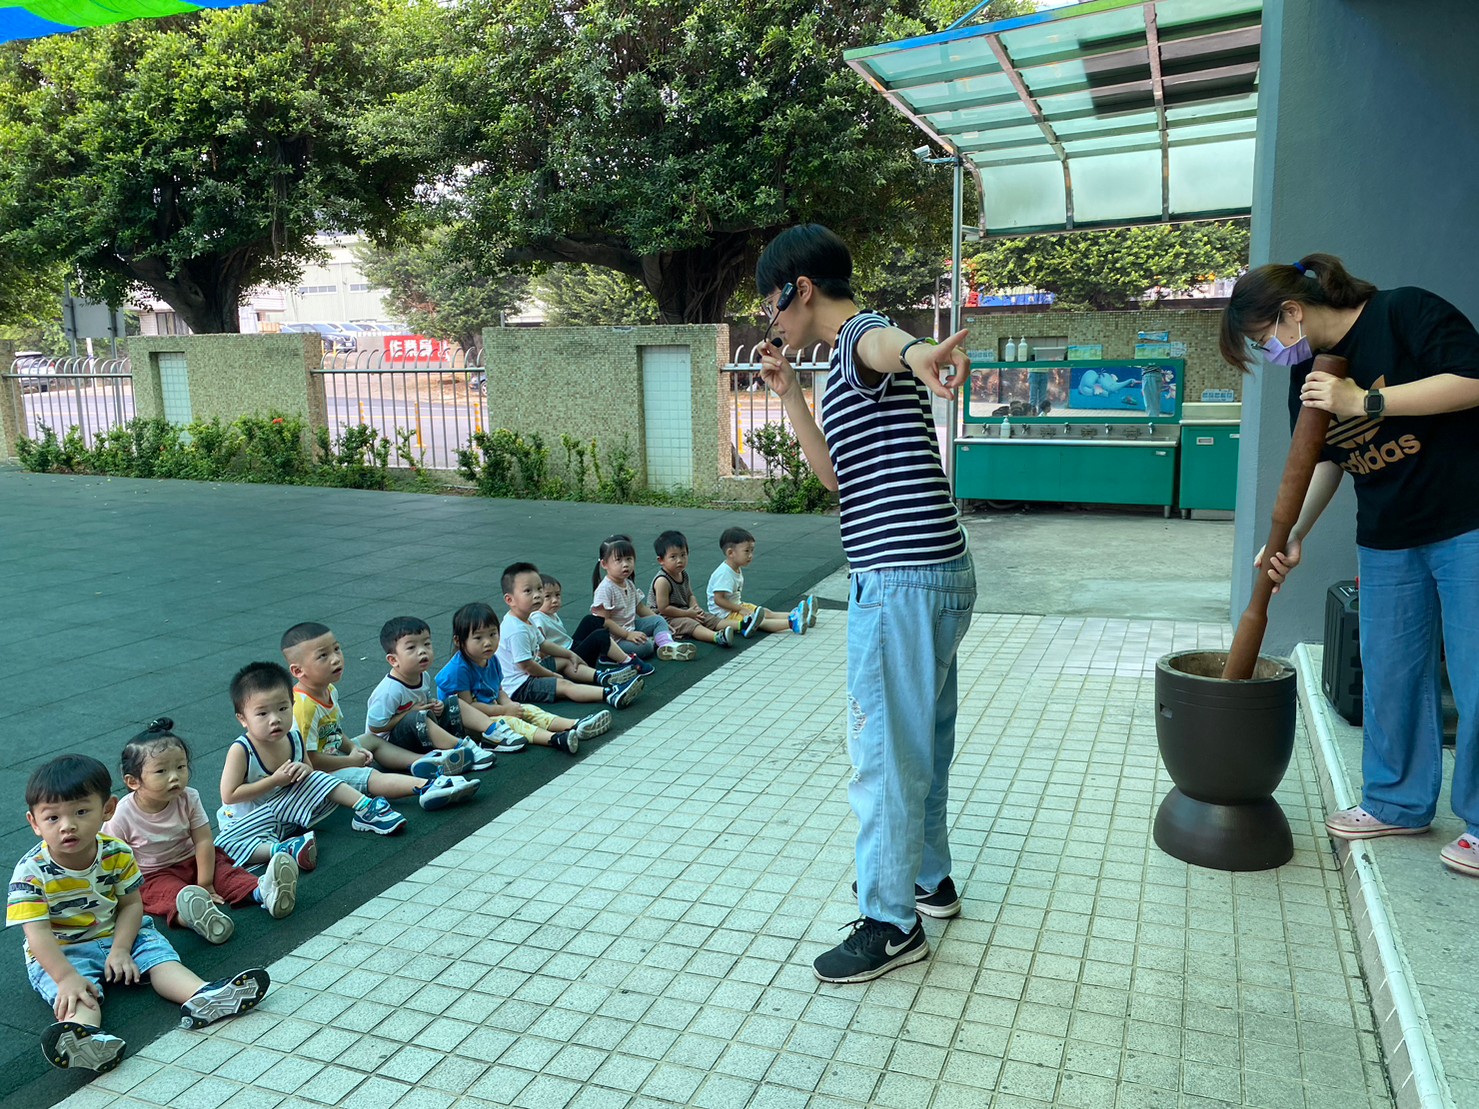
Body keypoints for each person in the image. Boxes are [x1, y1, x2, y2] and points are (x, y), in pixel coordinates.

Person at [756, 224, 976, 983]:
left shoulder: (858, 336)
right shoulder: (833, 365)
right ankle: (927, 880)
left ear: (800, 289)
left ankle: (890, 923)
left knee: (882, 753)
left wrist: (921, 354)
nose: (771, 322)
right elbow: (835, 478)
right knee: (923, 741)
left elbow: (891, 346)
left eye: (771, 304)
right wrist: (790, 395)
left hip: (900, 578)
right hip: (936, 568)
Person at [1220, 253, 1479, 878]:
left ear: (1291, 312)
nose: (1269, 352)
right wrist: (1295, 533)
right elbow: (1323, 459)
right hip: (1387, 537)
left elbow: (1472, 379)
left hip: (1466, 522)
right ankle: (1397, 802)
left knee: (1476, 675)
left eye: (1262, 339)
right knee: (1392, 673)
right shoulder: (1306, 370)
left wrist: (1365, 400)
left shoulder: (1403, 311)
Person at [9, 754, 270, 1072]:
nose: (68, 826)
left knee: (158, 957)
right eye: (52, 818)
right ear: (34, 823)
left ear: (108, 809)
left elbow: (132, 904)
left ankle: (202, 995)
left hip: (118, 929)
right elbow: (37, 933)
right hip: (62, 949)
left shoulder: (117, 852)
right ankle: (83, 1036)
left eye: (81, 811)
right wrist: (65, 977)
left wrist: (121, 948)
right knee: (78, 995)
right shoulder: (30, 872)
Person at [103, 719, 298, 945]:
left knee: (225, 873)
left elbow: (203, 840)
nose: (174, 776)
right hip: (154, 874)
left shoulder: (189, 797)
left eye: (180, 767)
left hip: (194, 860)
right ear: (133, 781)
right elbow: (112, 859)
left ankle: (264, 892)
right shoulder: (122, 815)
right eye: (161, 771)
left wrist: (205, 882)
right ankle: (196, 917)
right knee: (170, 895)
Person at [218, 661, 408, 869]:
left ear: (292, 705)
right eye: (262, 714)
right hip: (251, 820)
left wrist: (304, 770)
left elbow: (310, 769)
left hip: (286, 810)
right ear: (243, 719)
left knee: (317, 777)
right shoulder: (242, 750)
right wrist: (274, 780)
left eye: (283, 708)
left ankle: (365, 808)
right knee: (223, 846)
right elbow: (230, 795)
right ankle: (284, 849)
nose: (275, 719)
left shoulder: (294, 737)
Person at [281, 622, 479, 811]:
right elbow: (310, 760)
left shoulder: (329, 690)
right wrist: (350, 761)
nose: (335, 659)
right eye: (323, 656)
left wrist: (352, 749)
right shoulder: (304, 707)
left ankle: (425, 760)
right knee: (370, 776)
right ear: (298, 670)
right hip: (315, 777)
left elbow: (334, 732)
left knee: (370, 740)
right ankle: (427, 787)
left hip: (330, 758)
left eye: (336, 649)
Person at [436, 601, 615, 755]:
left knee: (527, 709)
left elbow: (499, 690)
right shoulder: (458, 669)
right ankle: (554, 739)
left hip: (490, 711)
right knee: (511, 721)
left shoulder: (491, 659)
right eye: (478, 638)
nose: (488, 642)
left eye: (492, 634)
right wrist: (504, 710)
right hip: (467, 725)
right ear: (459, 641)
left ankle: (576, 724)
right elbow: (469, 707)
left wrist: (509, 705)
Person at [500, 563, 646, 709]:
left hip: (530, 669)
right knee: (565, 685)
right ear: (509, 600)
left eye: (539, 589)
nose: (537, 595)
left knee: (566, 661)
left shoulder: (526, 619)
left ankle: (602, 676)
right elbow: (526, 666)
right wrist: (551, 674)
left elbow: (544, 644)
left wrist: (570, 654)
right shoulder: (517, 630)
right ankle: (610, 693)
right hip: (520, 684)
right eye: (528, 591)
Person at [366, 617, 496, 770]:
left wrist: (434, 705)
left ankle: (494, 732)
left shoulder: (423, 676)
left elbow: (424, 703)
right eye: (411, 647)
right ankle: (463, 749)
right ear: (393, 660)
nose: (422, 651)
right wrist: (409, 712)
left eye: (426, 644)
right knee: (416, 717)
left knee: (452, 702)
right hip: (392, 748)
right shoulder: (390, 691)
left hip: (419, 734)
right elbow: (375, 727)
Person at [592, 535, 697, 660]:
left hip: (631, 627)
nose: (625, 564)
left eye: (629, 559)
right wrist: (627, 635)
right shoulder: (605, 588)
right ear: (604, 564)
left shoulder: (628, 583)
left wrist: (662, 623)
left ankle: (667, 645)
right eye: (618, 560)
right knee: (645, 647)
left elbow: (640, 608)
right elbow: (604, 621)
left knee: (658, 620)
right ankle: (611, 655)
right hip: (614, 639)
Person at [532, 574, 644, 680]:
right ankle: (628, 662)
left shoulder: (549, 613)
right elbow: (540, 648)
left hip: (570, 646)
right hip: (568, 658)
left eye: (557, 595)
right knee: (599, 636)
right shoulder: (538, 618)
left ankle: (609, 653)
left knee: (590, 620)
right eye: (547, 596)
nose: (555, 600)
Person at [706, 526, 813, 637]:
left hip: (736, 606)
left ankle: (797, 615)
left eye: (752, 551)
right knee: (759, 621)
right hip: (725, 614)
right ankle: (792, 623)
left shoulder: (734, 568)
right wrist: (740, 609)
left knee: (765, 612)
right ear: (730, 553)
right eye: (746, 551)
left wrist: (740, 607)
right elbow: (718, 600)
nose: (750, 555)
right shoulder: (724, 573)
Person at [649, 530, 736, 648]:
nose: (679, 560)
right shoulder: (662, 581)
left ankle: (741, 625)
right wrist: (687, 613)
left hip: (683, 610)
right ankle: (717, 637)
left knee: (706, 617)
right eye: (673, 557)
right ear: (661, 560)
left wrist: (695, 607)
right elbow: (663, 608)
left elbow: (690, 595)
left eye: (683, 555)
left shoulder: (683, 574)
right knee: (690, 623)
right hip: (664, 618)